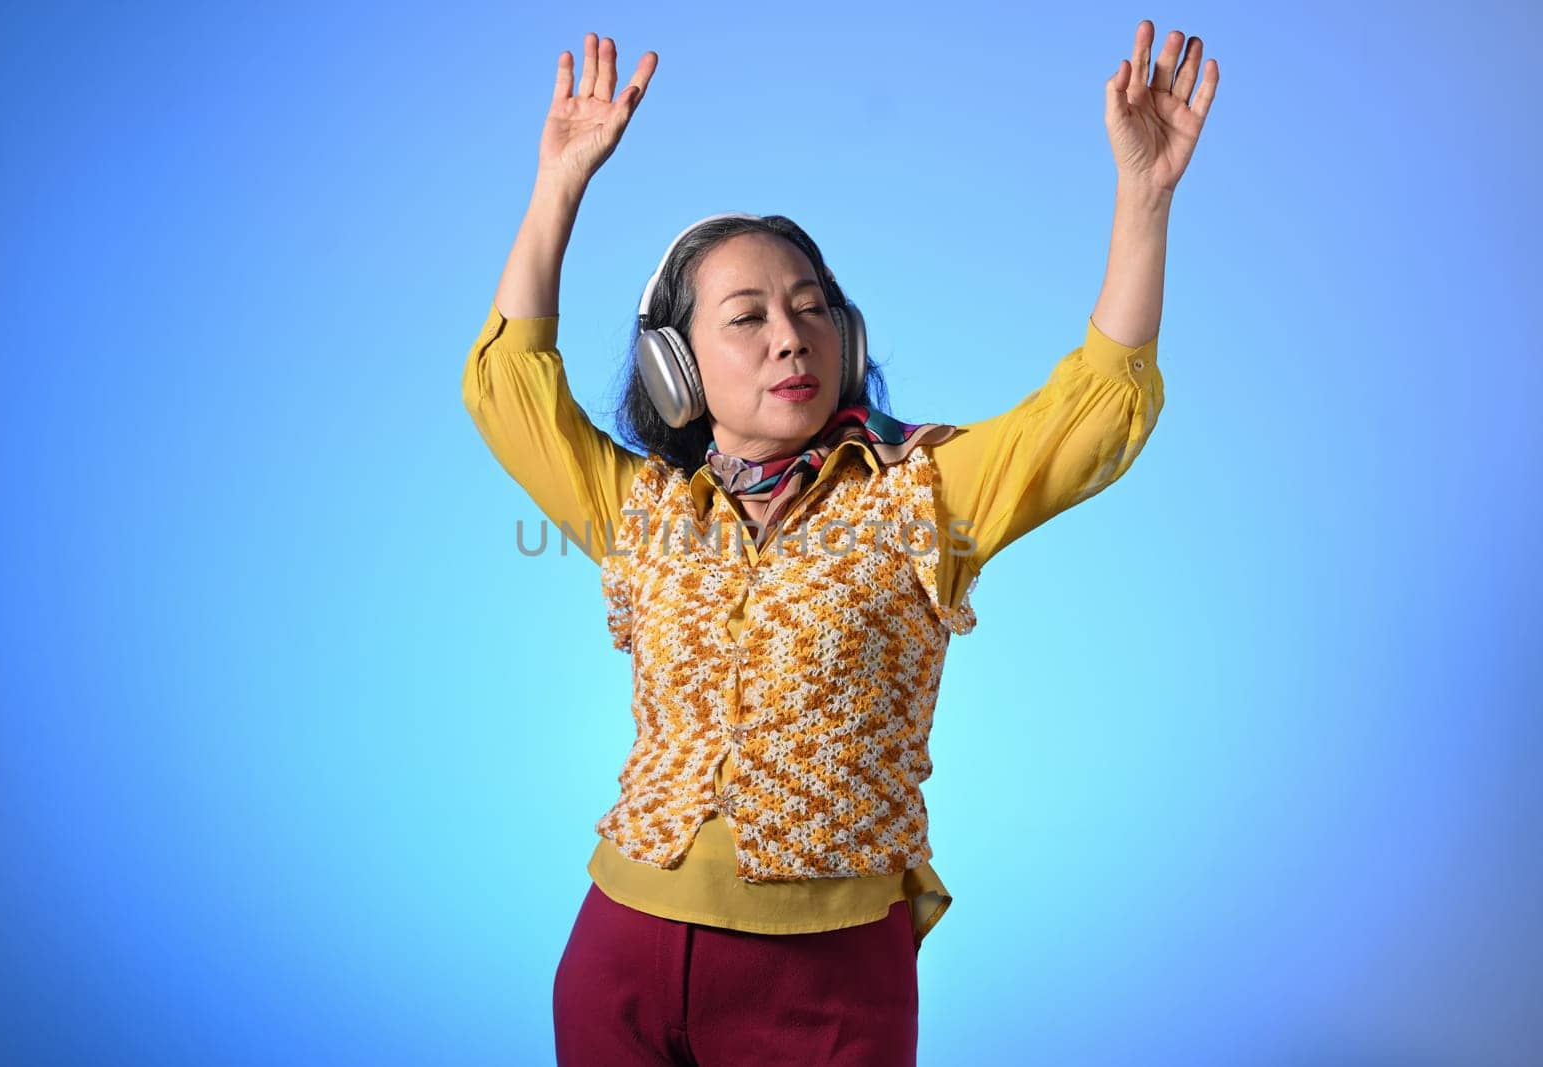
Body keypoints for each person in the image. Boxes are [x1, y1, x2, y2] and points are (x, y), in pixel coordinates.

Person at [462, 23, 1217, 1066]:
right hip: (622, 952)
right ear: (677, 367)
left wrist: (1145, 198)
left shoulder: (927, 493)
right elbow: (509, 390)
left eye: (813, 308)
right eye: (748, 315)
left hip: (827, 981)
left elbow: (1091, 414)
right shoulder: (640, 504)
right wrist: (558, 185)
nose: (789, 334)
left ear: (846, 341)